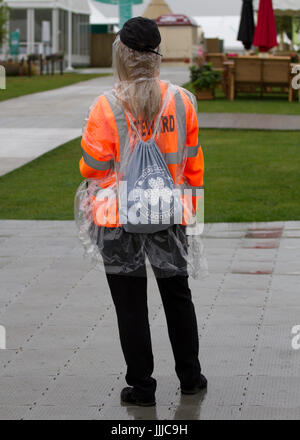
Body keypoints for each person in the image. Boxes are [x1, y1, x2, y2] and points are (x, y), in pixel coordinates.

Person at [77, 17, 207, 407]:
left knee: (131, 304)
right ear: (156, 57)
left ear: (122, 56)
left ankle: (142, 386)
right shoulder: (183, 102)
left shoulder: (106, 106)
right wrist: (191, 215)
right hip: (169, 213)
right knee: (177, 296)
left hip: (118, 220)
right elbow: (193, 162)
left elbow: (91, 168)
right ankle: (191, 377)